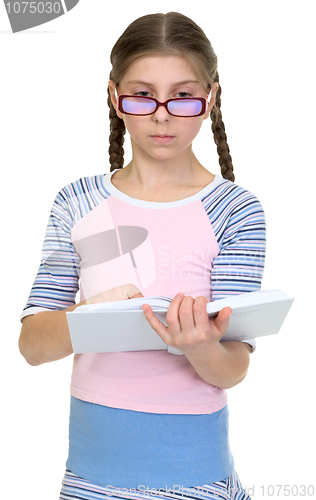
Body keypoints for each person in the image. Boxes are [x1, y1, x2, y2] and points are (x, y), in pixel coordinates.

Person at [19, 12, 266, 500]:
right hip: (90, 478)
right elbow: (32, 347)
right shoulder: (78, 202)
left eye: (182, 95)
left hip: (197, 480)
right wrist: (91, 315)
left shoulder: (235, 210)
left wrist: (198, 345)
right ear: (115, 97)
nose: (161, 114)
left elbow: (233, 367)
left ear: (210, 98)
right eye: (142, 94)